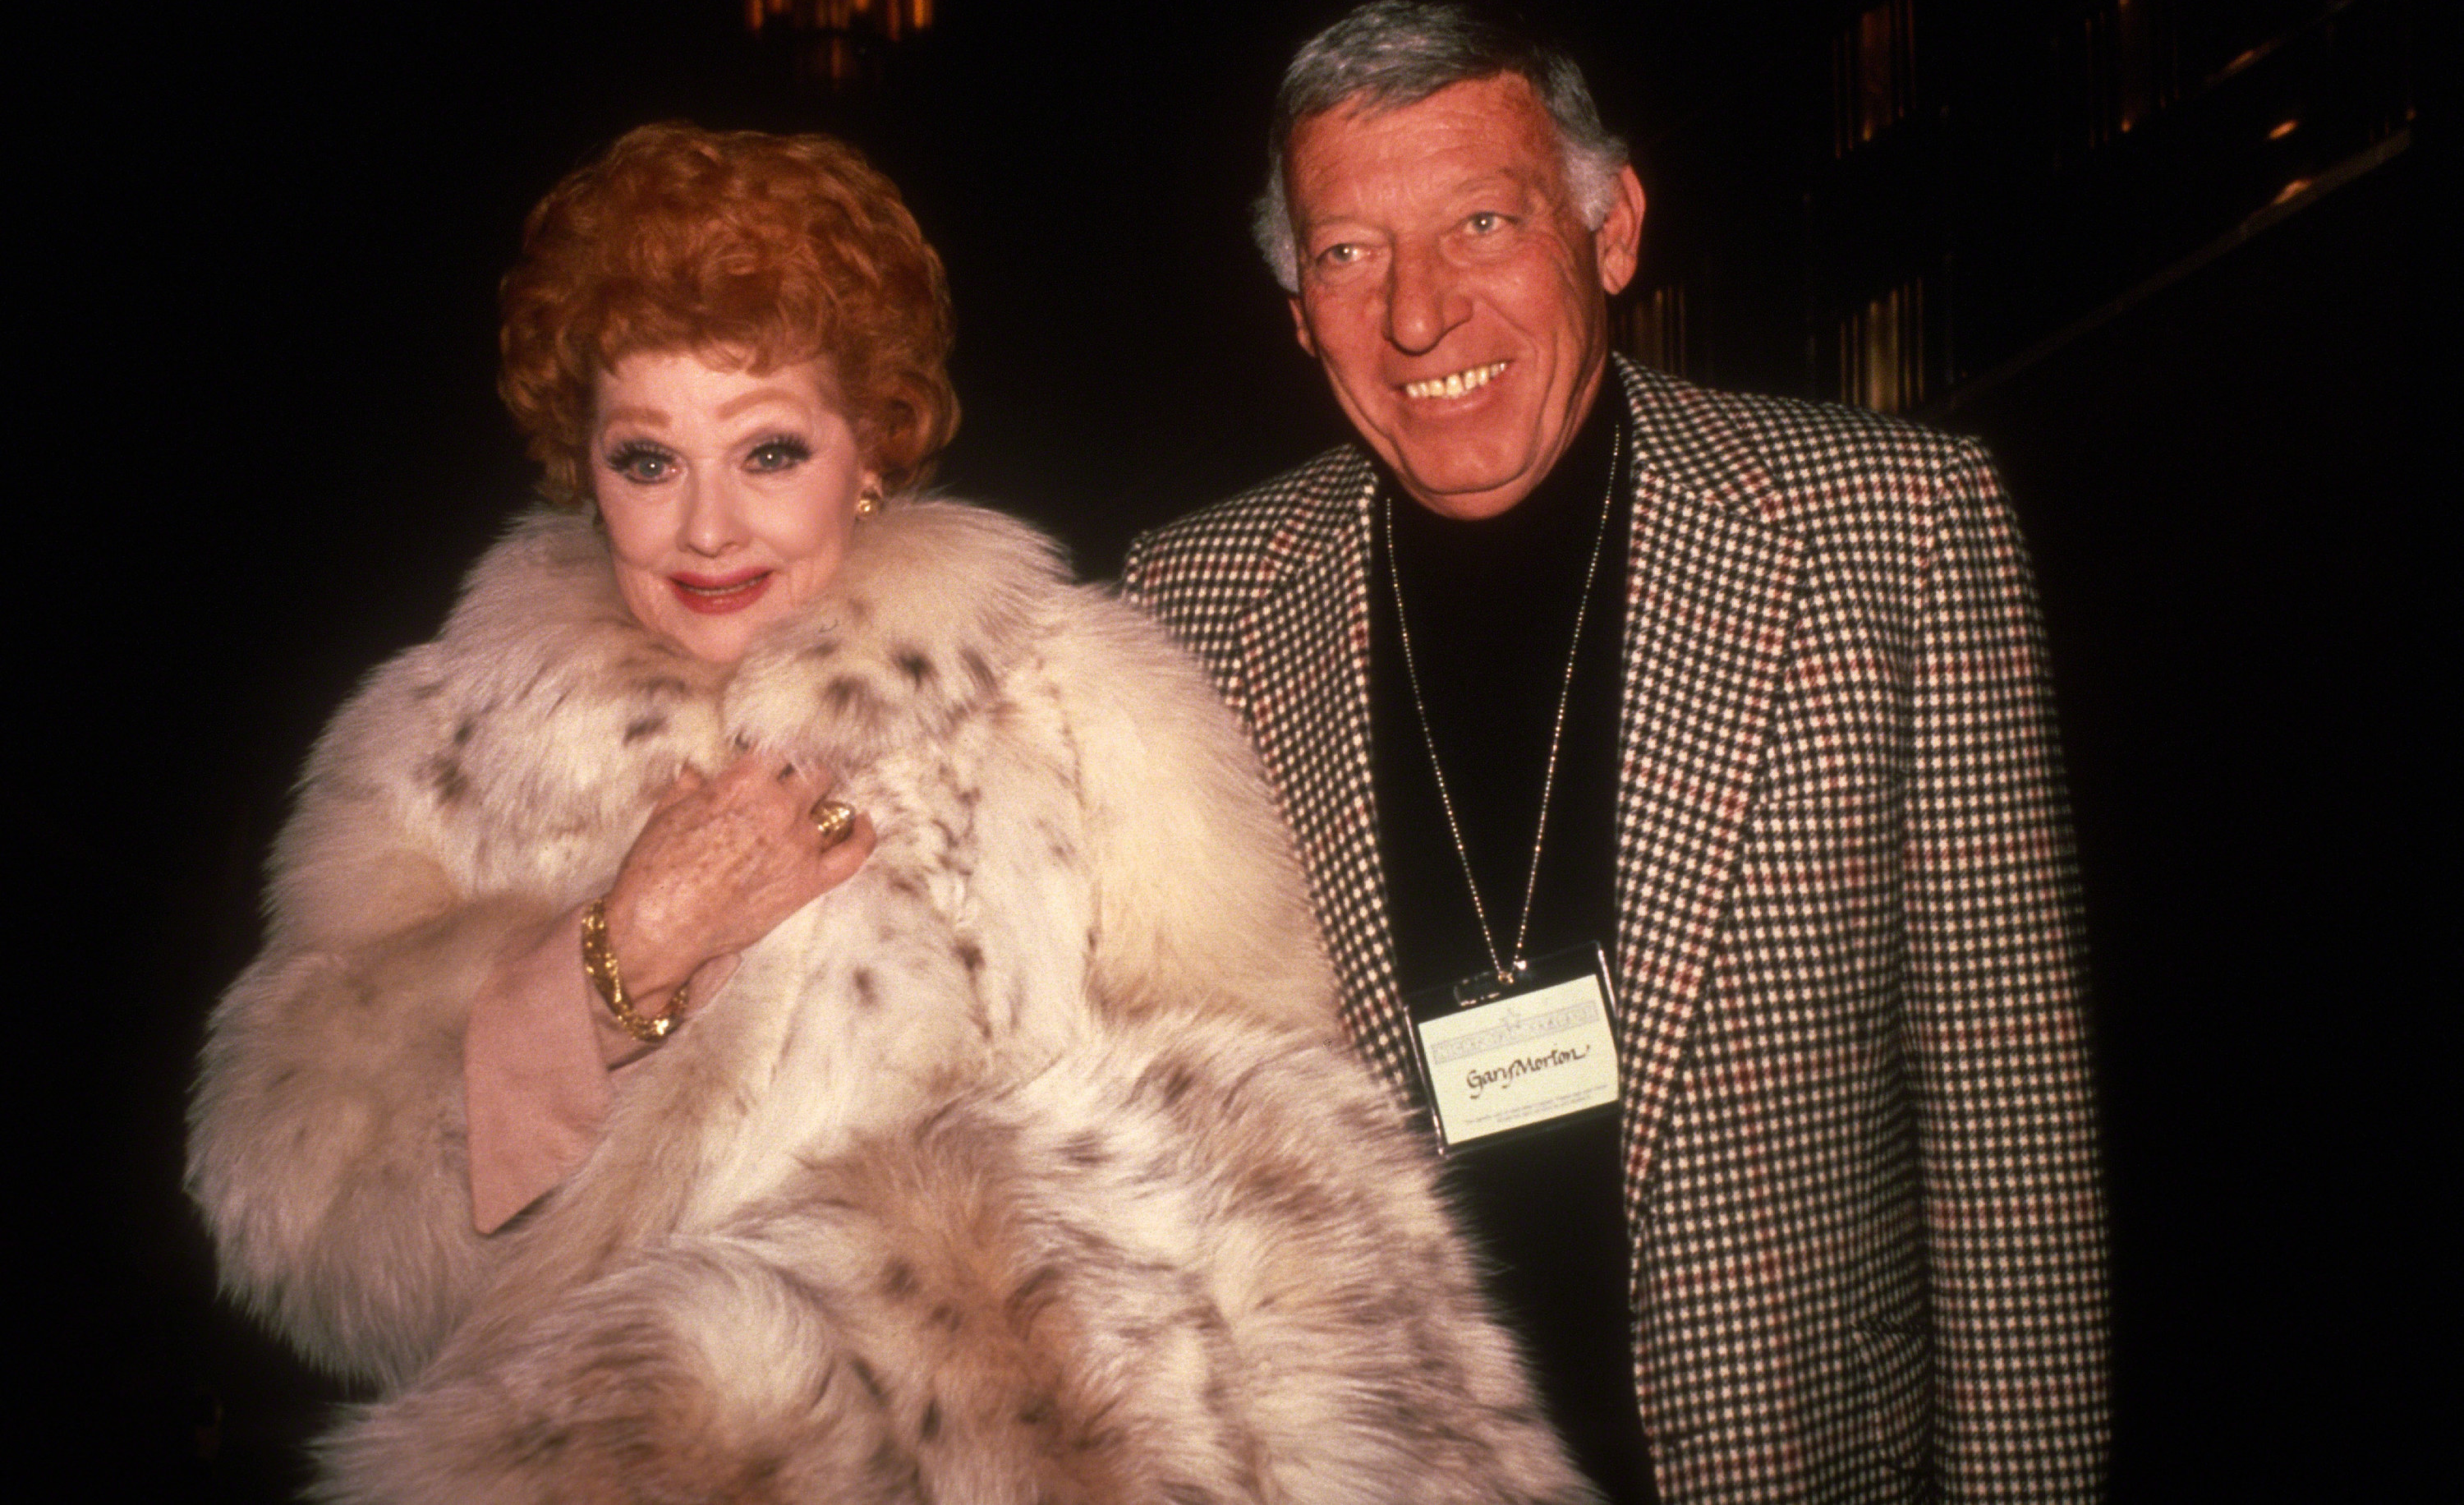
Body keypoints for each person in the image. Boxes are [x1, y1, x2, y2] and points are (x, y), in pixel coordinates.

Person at [186, 123, 1591, 1503]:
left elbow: (1291, 1174)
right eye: (648, 460)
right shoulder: (447, 746)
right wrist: (615, 961)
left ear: (871, 448)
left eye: (771, 452)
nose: (709, 528)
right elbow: (303, 1236)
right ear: (582, 468)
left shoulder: (1070, 698)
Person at [1123, 0, 2109, 1503]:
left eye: (1481, 221)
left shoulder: (1893, 534)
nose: (1416, 314)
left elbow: (2011, 1139)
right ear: (1294, 299)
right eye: (1347, 252)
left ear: (1613, 228)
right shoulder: (1189, 604)